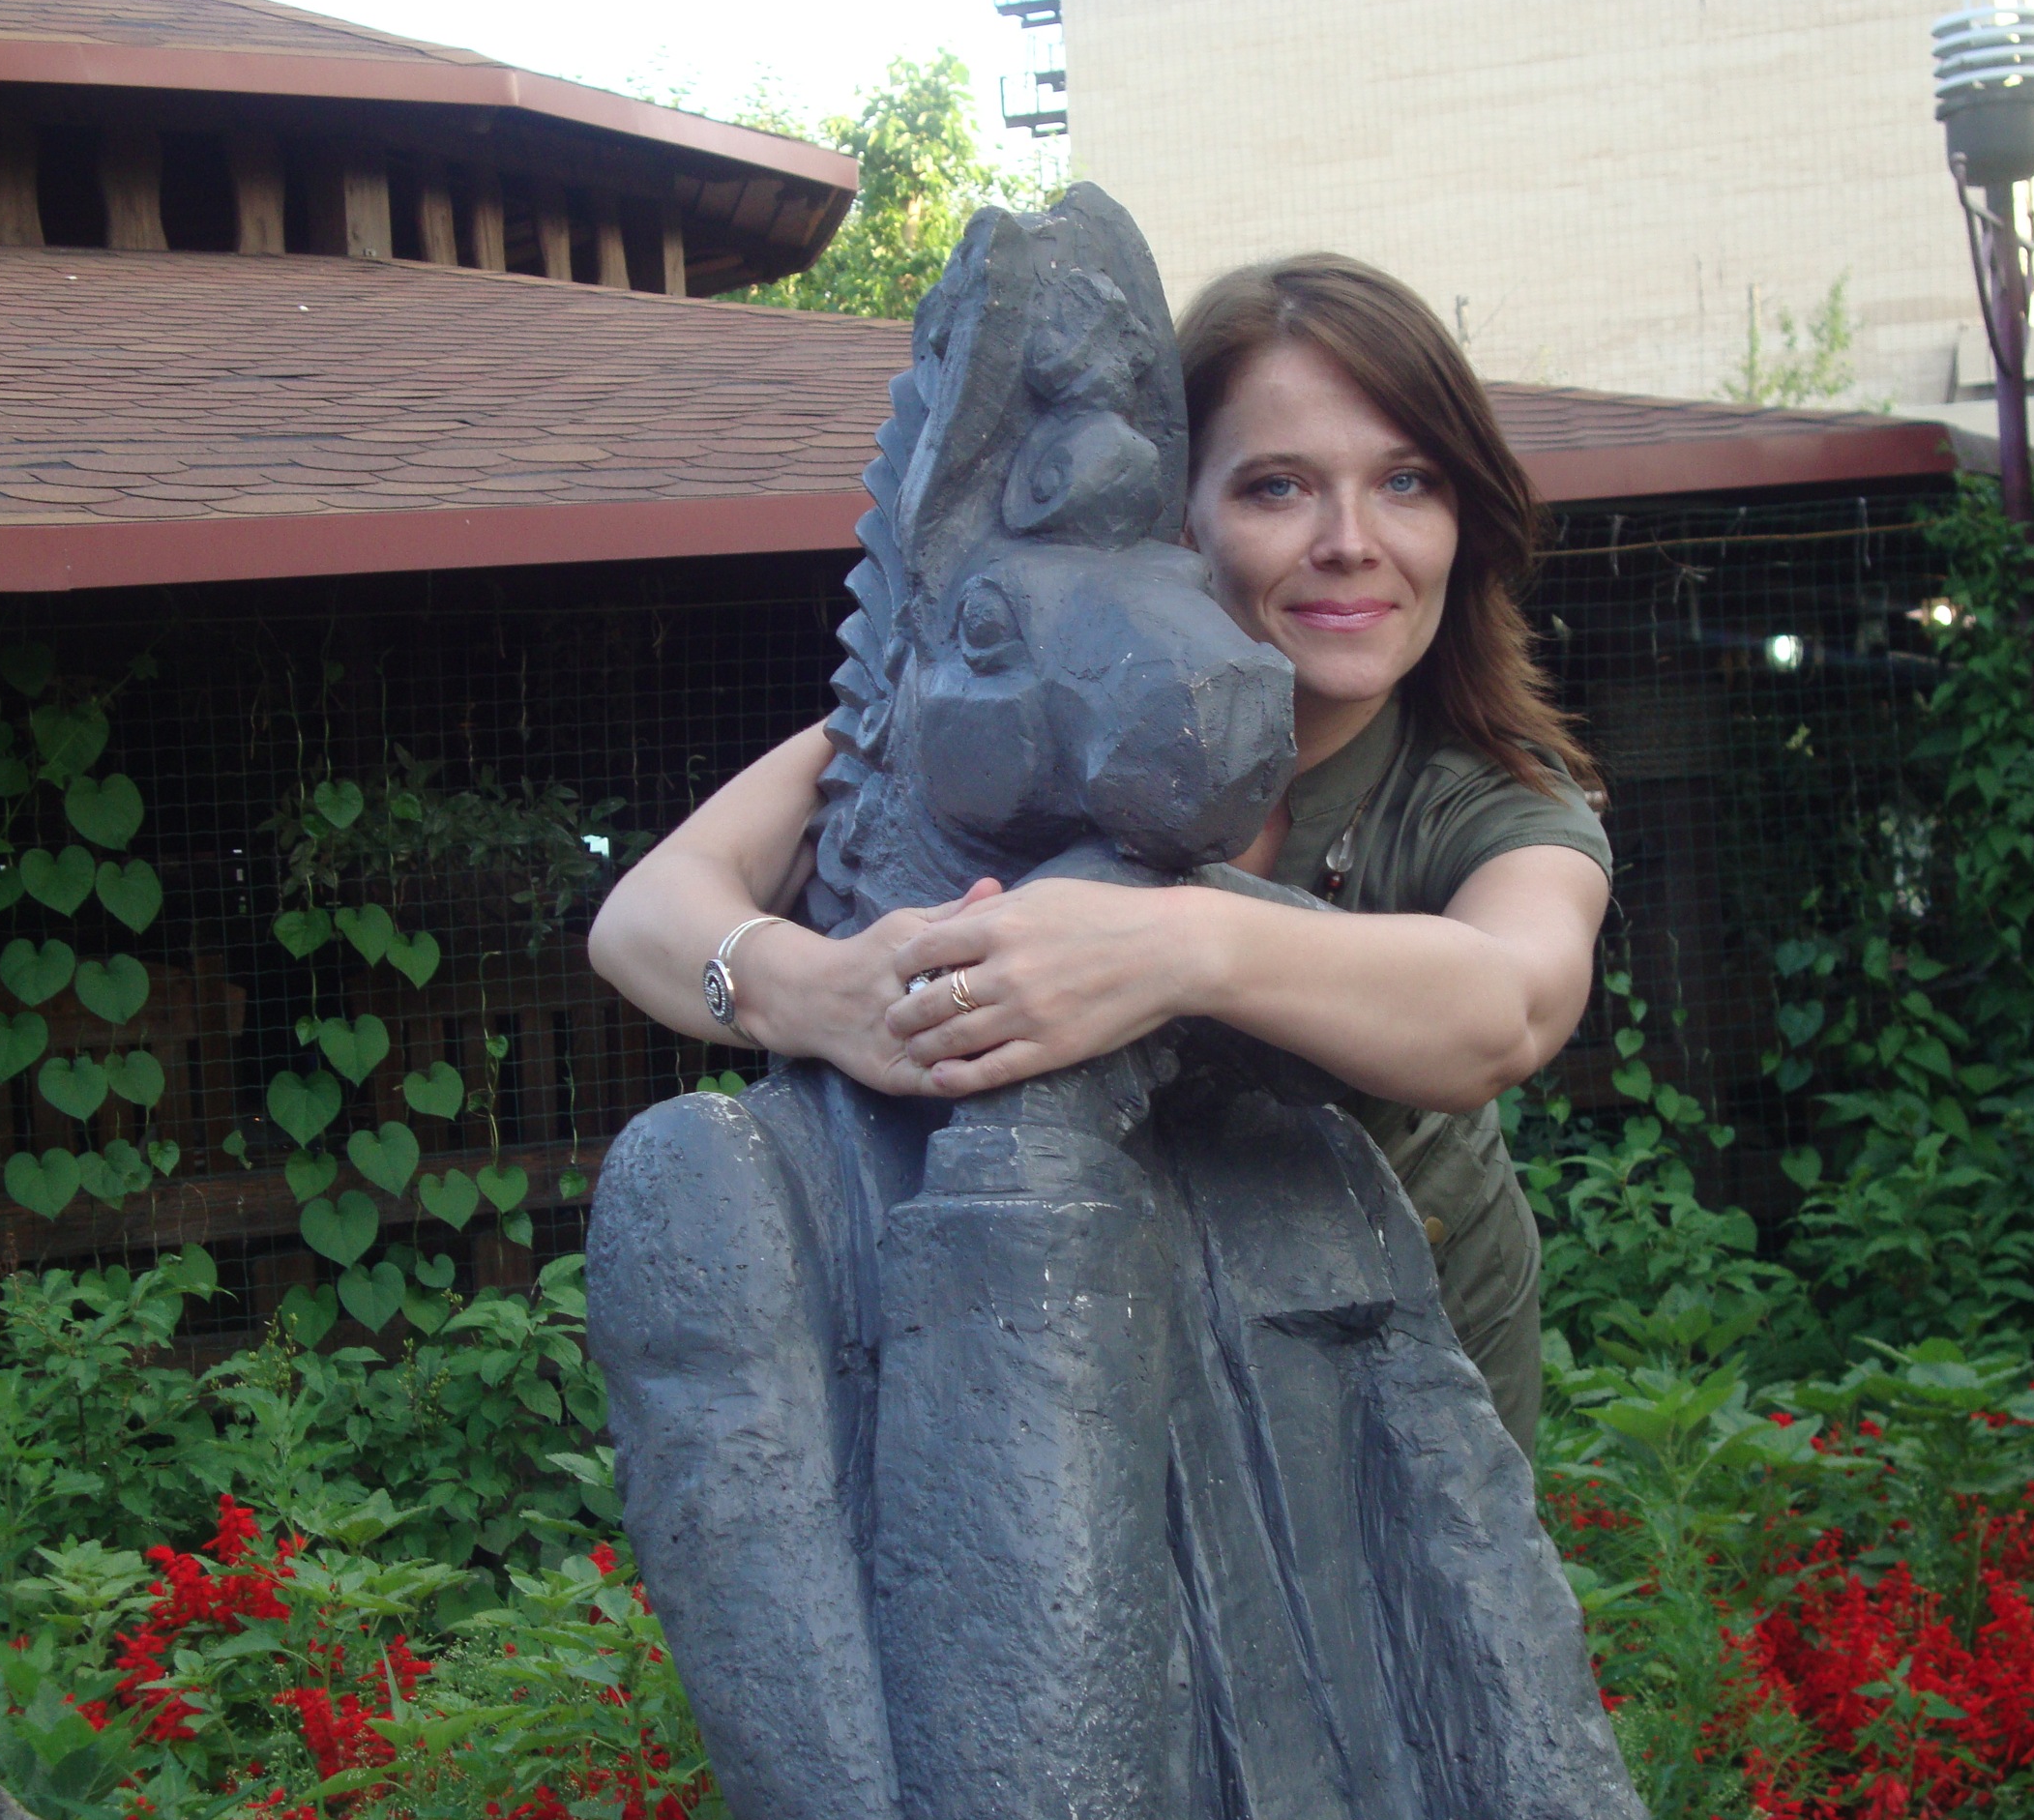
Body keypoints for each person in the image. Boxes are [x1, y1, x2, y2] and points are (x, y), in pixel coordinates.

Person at [588, 252, 1609, 1451]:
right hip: (1041, 1358)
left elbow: (1509, 1006)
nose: (1350, 540)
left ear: (1461, 519)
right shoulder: (1012, 710)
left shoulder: (1489, 799)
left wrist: (1177, 947)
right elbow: (645, 914)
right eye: (1277, 487)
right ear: (1178, 516)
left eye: (1406, 481)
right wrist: (820, 994)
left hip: (1385, 1386)